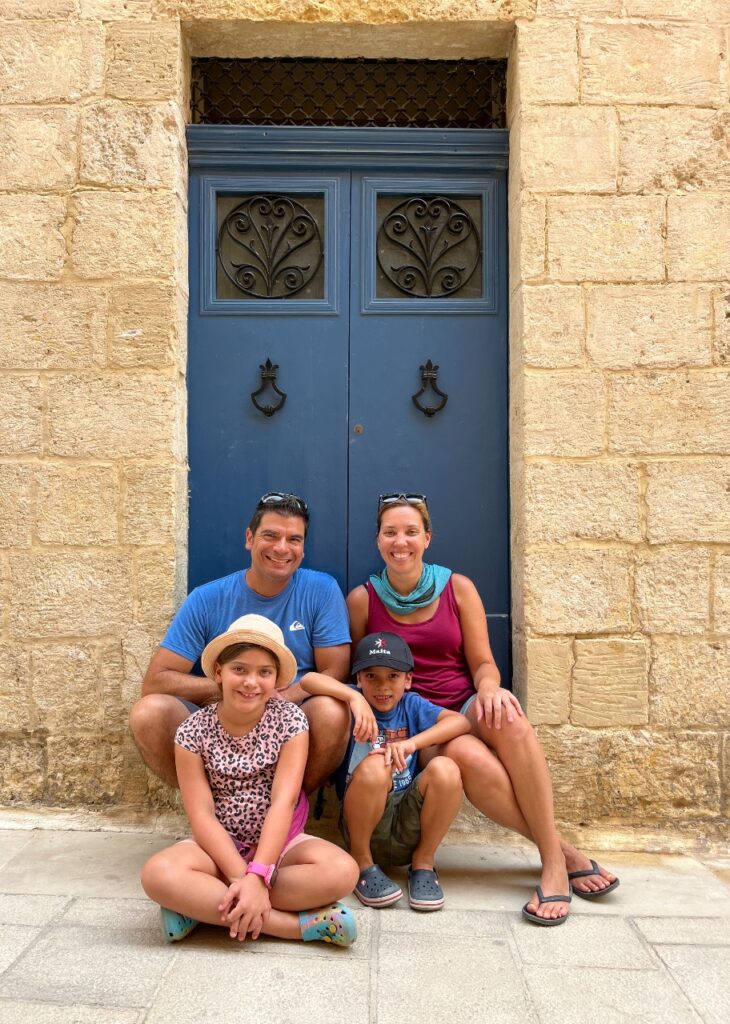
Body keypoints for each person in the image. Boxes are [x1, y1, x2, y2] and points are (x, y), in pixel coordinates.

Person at [347, 493, 620, 927]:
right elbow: (356, 669)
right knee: (468, 757)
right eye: (390, 532)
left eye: (411, 532)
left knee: (508, 716)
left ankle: (552, 863)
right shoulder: (364, 598)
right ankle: (562, 853)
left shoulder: (458, 588)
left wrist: (491, 688)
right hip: (415, 716)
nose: (401, 541)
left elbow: (482, 663)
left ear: (428, 538)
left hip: (463, 702)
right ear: (378, 540)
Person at [140, 614, 359, 946]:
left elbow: (282, 802)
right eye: (239, 669)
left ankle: (200, 909)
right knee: (157, 875)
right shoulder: (192, 731)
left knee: (342, 871)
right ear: (218, 673)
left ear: (277, 680)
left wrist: (260, 873)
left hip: (279, 846)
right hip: (217, 849)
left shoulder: (290, 721)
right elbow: (201, 814)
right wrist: (244, 878)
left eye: (264, 673)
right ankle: (297, 926)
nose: (250, 682)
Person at [130, 492, 351, 795]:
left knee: (331, 711)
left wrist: (285, 695)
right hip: (222, 717)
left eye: (294, 539)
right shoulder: (207, 598)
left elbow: (336, 670)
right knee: (148, 714)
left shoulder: (322, 590)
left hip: (293, 715)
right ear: (250, 538)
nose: (281, 548)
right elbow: (156, 682)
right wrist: (230, 689)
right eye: (270, 536)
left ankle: (291, 812)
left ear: (303, 547)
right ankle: (210, 810)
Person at [301, 631, 470, 912]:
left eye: (392, 676)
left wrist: (412, 744)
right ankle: (362, 862)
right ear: (358, 680)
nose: (382, 686)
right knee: (378, 765)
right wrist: (352, 699)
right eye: (371, 676)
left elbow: (460, 722)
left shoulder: (411, 704)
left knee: (446, 768)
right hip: (364, 823)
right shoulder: (355, 700)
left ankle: (424, 864)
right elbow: (308, 680)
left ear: (408, 680)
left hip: (407, 820)